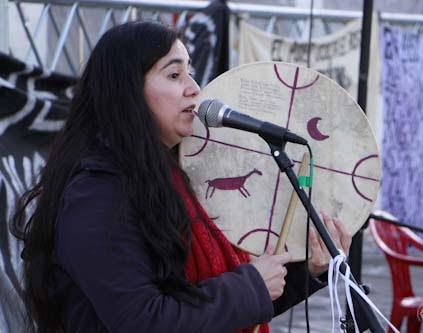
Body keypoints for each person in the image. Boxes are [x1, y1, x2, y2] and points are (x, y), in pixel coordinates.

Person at [12, 21, 352, 333]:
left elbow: (221, 310)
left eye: (189, 72)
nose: (194, 88)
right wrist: (250, 285)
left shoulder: (171, 177)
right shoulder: (94, 195)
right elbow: (142, 320)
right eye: (174, 75)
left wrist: (306, 272)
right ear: (127, 90)